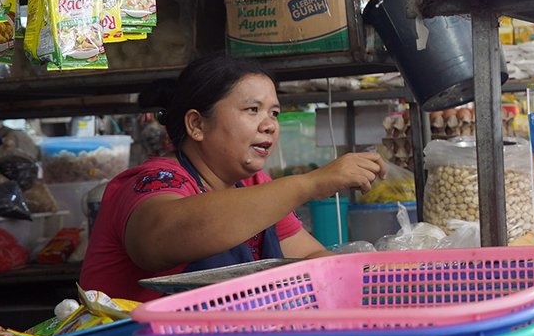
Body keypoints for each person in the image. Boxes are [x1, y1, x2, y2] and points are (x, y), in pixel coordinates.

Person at [82, 54, 384, 303]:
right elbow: (160, 238)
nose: (269, 125)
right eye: (253, 110)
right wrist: (310, 183)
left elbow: (308, 256)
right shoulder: (152, 181)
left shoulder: (254, 186)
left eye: (274, 113)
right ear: (197, 124)